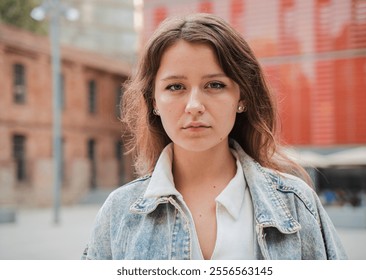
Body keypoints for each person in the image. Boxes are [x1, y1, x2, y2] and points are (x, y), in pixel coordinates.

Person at [82, 13, 347, 260]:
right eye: (175, 87)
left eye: (215, 85)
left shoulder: (297, 203)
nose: (194, 104)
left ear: (241, 97)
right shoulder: (118, 212)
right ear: (154, 101)